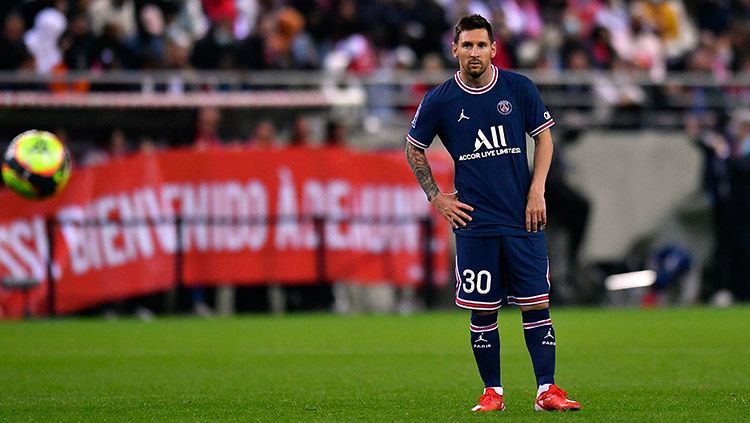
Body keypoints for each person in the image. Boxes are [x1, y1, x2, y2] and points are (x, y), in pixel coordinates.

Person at [404, 14, 580, 412]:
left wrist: (537, 190)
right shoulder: (440, 100)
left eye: (481, 45)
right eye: (467, 45)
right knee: (483, 311)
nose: (474, 52)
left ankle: (546, 391)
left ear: (493, 48)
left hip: (523, 218)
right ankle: (492, 393)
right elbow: (413, 146)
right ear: (455, 50)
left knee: (536, 304)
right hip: (475, 222)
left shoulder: (518, 88)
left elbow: (545, 138)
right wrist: (436, 196)